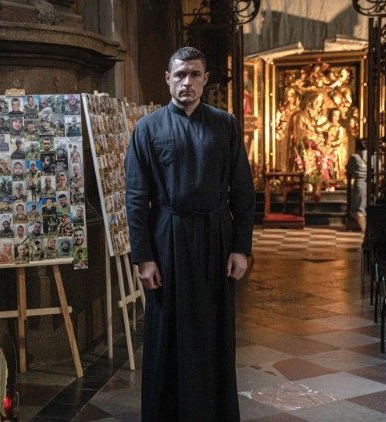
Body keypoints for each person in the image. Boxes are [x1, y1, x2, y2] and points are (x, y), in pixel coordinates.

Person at [124, 47, 254, 421]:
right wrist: (143, 256)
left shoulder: (225, 125)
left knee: (215, 330)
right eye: (180, 75)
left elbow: (243, 190)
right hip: (167, 238)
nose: (187, 82)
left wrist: (241, 247)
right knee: (167, 331)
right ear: (167, 78)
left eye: (194, 74)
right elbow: (136, 197)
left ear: (205, 79)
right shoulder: (148, 128)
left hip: (216, 237)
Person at [347, 139, 368, 231]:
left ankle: (364, 230)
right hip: (372, 183)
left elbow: (349, 170)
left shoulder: (354, 157)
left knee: (359, 207)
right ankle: (366, 229)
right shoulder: (373, 156)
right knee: (364, 205)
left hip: (360, 183)